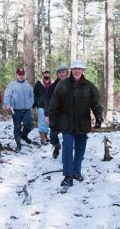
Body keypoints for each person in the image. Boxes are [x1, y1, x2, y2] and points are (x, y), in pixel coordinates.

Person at [49, 60, 103, 190]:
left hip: (83, 124)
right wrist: (53, 123)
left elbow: (96, 103)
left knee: (80, 149)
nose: (77, 71)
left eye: (79, 69)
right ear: (71, 70)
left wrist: (98, 117)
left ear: (83, 70)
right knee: (67, 149)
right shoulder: (62, 85)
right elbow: (54, 105)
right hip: (66, 124)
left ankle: (76, 171)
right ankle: (68, 176)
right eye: (74, 69)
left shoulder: (89, 86)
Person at [4, 67, 34, 153]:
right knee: (17, 127)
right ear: (16, 75)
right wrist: (7, 104)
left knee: (29, 125)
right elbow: (7, 95)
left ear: (24, 75)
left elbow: (32, 95)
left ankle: (24, 136)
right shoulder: (12, 84)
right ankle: (18, 144)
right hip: (16, 110)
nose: (21, 76)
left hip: (26, 109)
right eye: (19, 74)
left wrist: (31, 104)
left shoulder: (27, 85)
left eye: (22, 74)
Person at [44, 64, 69, 158]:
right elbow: (47, 101)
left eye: (63, 72)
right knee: (53, 136)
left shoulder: (72, 84)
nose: (62, 74)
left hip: (68, 116)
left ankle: (66, 155)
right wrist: (47, 115)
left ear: (67, 73)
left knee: (68, 137)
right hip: (56, 116)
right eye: (59, 72)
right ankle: (57, 146)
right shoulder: (53, 87)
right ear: (57, 74)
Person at [33, 68, 52, 145]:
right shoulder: (38, 83)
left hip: (50, 105)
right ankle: (41, 137)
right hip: (41, 105)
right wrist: (34, 105)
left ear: (49, 74)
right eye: (45, 73)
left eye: (47, 73)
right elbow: (35, 95)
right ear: (43, 74)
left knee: (47, 122)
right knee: (42, 121)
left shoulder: (52, 83)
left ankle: (46, 135)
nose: (46, 74)